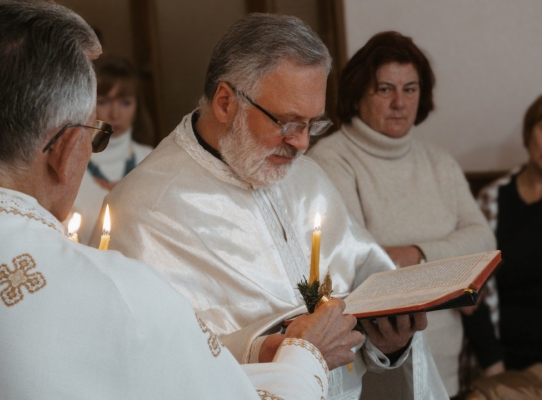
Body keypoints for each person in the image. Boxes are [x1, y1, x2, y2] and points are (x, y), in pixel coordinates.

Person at [0, 2, 359, 398]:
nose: (301, 142)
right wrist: (305, 353)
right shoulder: (118, 292)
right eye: (96, 135)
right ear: (68, 149)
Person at [97, 14, 446, 399]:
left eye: (312, 124)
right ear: (226, 102)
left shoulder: (308, 178)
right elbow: (141, 359)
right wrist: (260, 350)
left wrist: (388, 345)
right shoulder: (144, 209)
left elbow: (367, 289)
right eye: (287, 122)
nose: (301, 144)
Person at [307, 31, 497, 398]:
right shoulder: (331, 160)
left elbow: (482, 238)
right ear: (358, 93)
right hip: (373, 367)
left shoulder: (439, 161)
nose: (399, 102)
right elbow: (360, 260)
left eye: (410, 89)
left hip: (447, 359)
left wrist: (415, 254)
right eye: (385, 89)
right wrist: (446, 258)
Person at [478, 94, 542, 371]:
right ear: (529, 133)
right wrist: (493, 363)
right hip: (501, 359)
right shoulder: (492, 199)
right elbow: (472, 287)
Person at [71, 55, 153, 244]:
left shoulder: (151, 159)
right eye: (104, 101)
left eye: (125, 102)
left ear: (137, 106)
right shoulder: (70, 163)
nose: (115, 114)